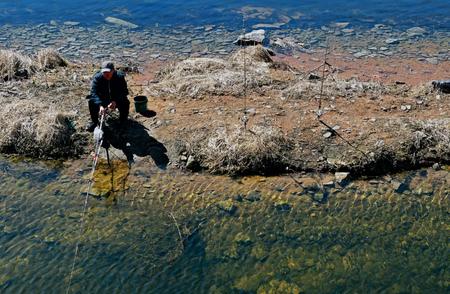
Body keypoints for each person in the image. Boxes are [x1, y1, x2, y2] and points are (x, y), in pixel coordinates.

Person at [86, 61, 130, 132]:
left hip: (115, 99)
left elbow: (124, 92)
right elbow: (93, 93)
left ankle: (123, 121)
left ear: (113, 70)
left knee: (125, 102)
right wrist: (100, 105)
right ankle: (94, 122)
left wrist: (115, 101)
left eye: (108, 72)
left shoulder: (119, 77)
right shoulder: (97, 77)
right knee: (91, 102)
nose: (106, 74)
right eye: (104, 72)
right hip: (103, 99)